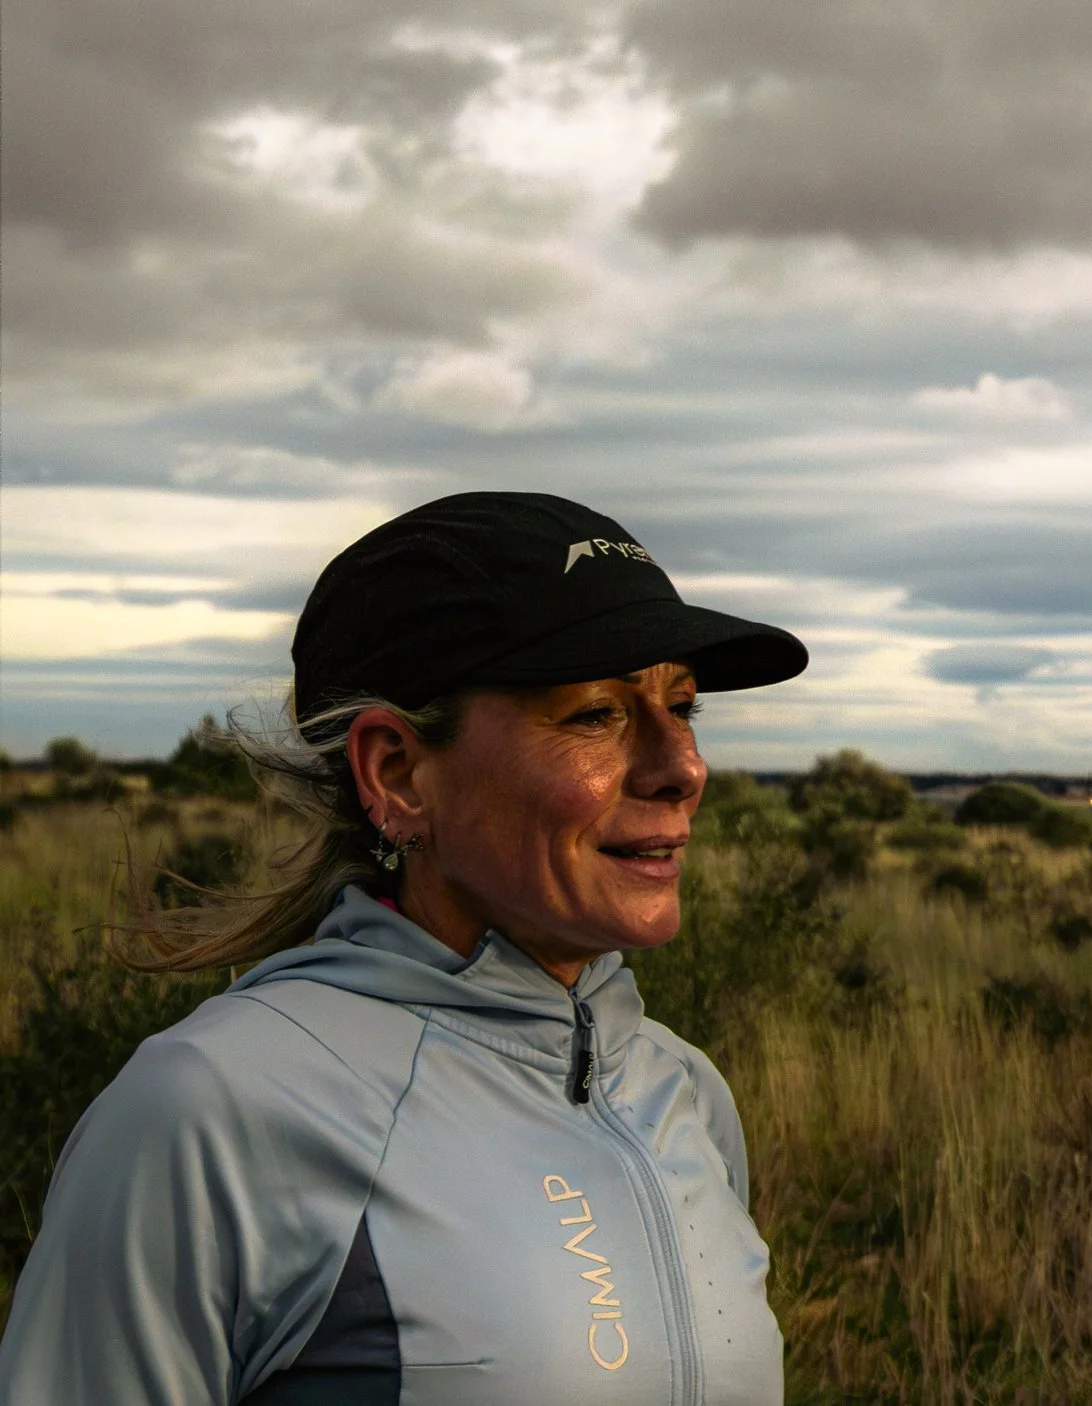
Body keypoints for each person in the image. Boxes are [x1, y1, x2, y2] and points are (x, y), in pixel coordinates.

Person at [0, 492, 807, 1404]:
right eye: (596, 714)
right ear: (396, 773)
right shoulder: (212, 1113)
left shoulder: (682, 1092)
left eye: (683, 706)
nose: (683, 768)